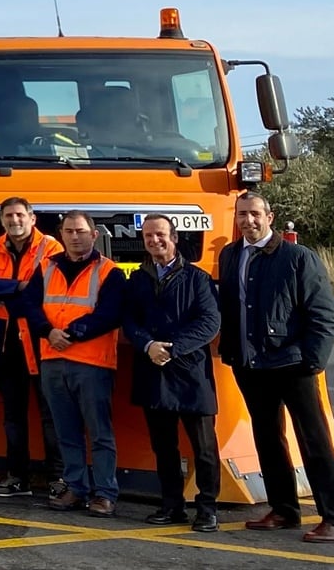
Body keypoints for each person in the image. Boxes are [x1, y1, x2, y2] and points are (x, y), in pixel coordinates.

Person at [220, 192, 334, 543]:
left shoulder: (296, 257)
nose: (248, 220)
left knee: (314, 442)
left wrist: (312, 361)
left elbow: (323, 315)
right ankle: (284, 510)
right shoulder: (232, 255)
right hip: (251, 366)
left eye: (255, 214)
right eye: (242, 214)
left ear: (270, 217)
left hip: (293, 365)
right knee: (267, 438)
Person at [124, 214, 220, 533]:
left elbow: (209, 323)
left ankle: (207, 509)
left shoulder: (198, 278)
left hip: (192, 375)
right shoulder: (138, 279)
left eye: (161, 235)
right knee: (164, 448)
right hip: (154, 373)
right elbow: (129, 322)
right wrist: (148, 344)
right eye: (149, 236)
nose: (155, 241)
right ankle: (172, 506)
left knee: (204, 448)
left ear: (174, 237)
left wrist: (173, 348)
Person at [0, 196, 63, 497]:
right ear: (2, 221)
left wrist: (10, 290)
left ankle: (57, 479)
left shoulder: (51, 247)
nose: (14, 221)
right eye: (8, 216)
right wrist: (21, 287)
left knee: (51, 414)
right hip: (4, 341)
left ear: (32, 218)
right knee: (12, 415)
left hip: (40, 340)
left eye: (20, 215)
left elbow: (45, 289)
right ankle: (17, 477)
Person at [36, 211, 125, 517]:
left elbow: (110, 313)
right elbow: (28, 306)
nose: (75, 236)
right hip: (52, 360)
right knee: (66, 432)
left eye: (81, 231)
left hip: (91, 363)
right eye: (70, 231)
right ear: (61, 234)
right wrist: (48, 332)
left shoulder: (110, 272)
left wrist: (70, 334)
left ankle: (104, 493)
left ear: (94, 235)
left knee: (100, 432)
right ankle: (75, 488)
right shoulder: (46, 267)